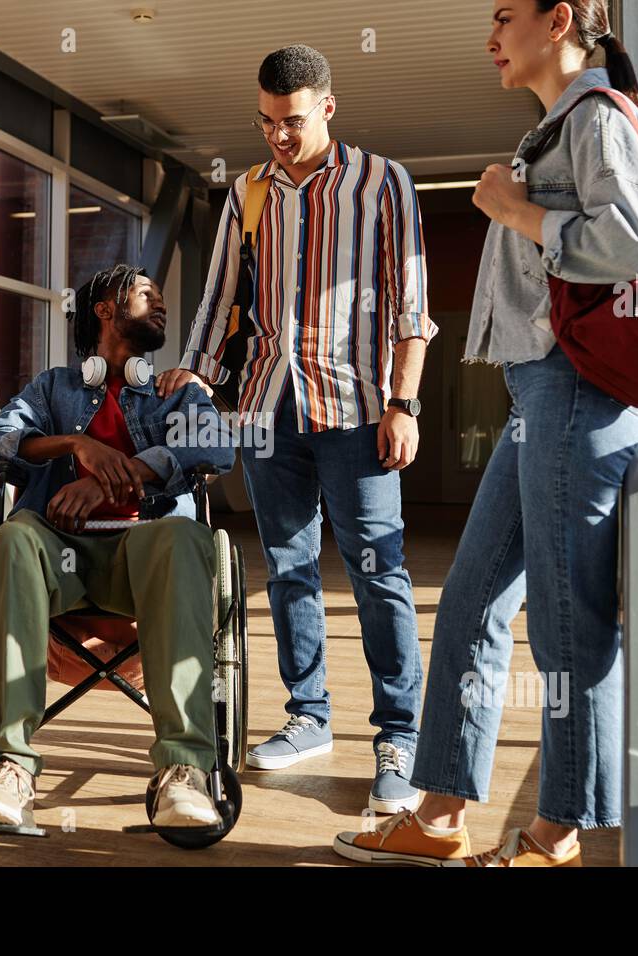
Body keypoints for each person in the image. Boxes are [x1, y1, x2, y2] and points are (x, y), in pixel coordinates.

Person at [336, 0, 638, 866]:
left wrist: (518, 213)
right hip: (540, 401)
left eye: (505, 16)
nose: (490, 37)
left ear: (559, 21)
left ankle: (557, 832)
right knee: (474, 602)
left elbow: (636, 242)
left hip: (579, 394)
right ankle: (440, 813)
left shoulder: (595, 119)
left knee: (567, 625)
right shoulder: (558, 128)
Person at [160, 44, 435, 814]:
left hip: (357, 408)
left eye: (292, 121)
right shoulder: (248, 191)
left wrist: (403, 403)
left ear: (327, 108)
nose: (278, 136)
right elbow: (220, 298)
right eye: (267, 122)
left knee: (379, 571)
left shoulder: (382, 182)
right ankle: (308, 716)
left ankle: (400, 737)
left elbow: (410, 303)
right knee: (288, 568)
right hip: (267, 406)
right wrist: (197, 374)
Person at [0, 266, 235, 831]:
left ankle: (184, 771)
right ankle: (9, 766)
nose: (159, 300)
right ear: (105, 310)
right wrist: (74, 445)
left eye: (160, 294)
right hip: (60, 562)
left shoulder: (174, 391)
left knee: (184, 535)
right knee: (9, 538)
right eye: (143, 293)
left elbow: (217, 448)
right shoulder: (54, 388)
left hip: (144, 561)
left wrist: (124, 471)